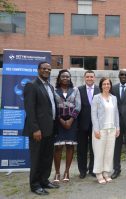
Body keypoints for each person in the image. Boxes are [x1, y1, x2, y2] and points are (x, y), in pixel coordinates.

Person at [23, 61, 59, 195]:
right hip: (38, 131)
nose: (47, 71)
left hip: (50, 129)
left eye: (49, 69)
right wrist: (35, 129)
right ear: (38, 70)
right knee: (37, 158)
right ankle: (35, 185)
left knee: (47, 157)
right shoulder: (31, 85)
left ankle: (44, 180)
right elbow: (30, 109)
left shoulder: (49, 86)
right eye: (44, 69)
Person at [53, 69, 81, 183]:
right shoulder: (53, 90)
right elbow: (53, 106)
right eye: (63, 76)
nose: (65, 78)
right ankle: (57, 172)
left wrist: (70, 120)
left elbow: (78, 105)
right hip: (58, 121)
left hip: (72, 121)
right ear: (59, 78)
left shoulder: (75, 90)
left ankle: (67, 171)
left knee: (70, 146)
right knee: (58, 147)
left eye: (67, 77)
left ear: (70, 79)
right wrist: (60, 119)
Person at [91, 77, 120, 184]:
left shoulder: (114, 98)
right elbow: (93, 115)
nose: (106, 86)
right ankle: (98, 174)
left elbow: (116, 113)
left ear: (110, 85)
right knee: (99, 153)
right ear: (101, 86)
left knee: (109, 153)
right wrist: (96, 129)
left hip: (111, 130)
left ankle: (106, 173)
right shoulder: (96, 98)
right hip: (101, 130)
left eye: (108, 84)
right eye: (104, 84)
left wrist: (118, 127)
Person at [77, 70, 100, 179]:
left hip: (95, 125)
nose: (90, 79)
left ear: (94, 78)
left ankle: (92, 169)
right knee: (81, 149)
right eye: (88, 77)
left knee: (94, 148)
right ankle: (82, 170)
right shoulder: (78, 90)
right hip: (82, 124)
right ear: (84, 78)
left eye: (91, 77)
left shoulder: (99, 90)